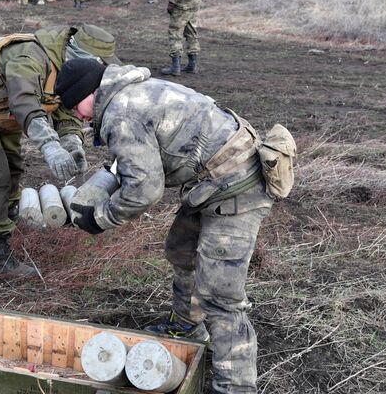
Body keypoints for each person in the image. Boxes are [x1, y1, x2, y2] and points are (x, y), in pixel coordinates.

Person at [54, 59, 274, 393]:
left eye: (75, 105)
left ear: (90, 92)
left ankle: (236, 387)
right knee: (181, 250)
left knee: (220, 296)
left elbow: (145, 189)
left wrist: (100, 218)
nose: (78, 115)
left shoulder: (121, 112)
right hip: (213, 182)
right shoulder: (129, 92)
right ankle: (187, 328)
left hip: (237, 188)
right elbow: (137, 159)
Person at [0, 26, 120, 276]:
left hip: (3, 113)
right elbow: (23, 102)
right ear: (78, 54)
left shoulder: (68, 66)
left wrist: (72, 142)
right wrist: (50, 146)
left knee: (13, 169)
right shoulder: (29, 57)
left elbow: (64, 106)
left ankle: (3, 222)